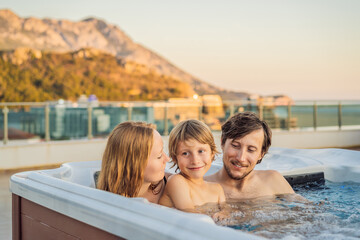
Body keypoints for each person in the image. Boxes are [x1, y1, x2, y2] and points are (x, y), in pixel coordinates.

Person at [205, 112, 295, 199]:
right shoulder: (203, 187)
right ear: (222, 143)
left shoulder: (273, 180)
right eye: (235, 146)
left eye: (251, 150)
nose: (241, 158)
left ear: (261, 154)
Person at [159, 119, 226, 213]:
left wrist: (224, 214)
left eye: (201, 151)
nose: (195, 160)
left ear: (212, 154)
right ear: (174, 158)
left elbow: (227, 213)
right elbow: (192, 216)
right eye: (185, 153)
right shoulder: (177, 182)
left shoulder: (217, 189)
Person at [97, 121, 170, 204]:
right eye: (159, 156)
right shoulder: (102, 202)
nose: (167, 159)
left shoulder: (174, 185)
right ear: (135, 164)